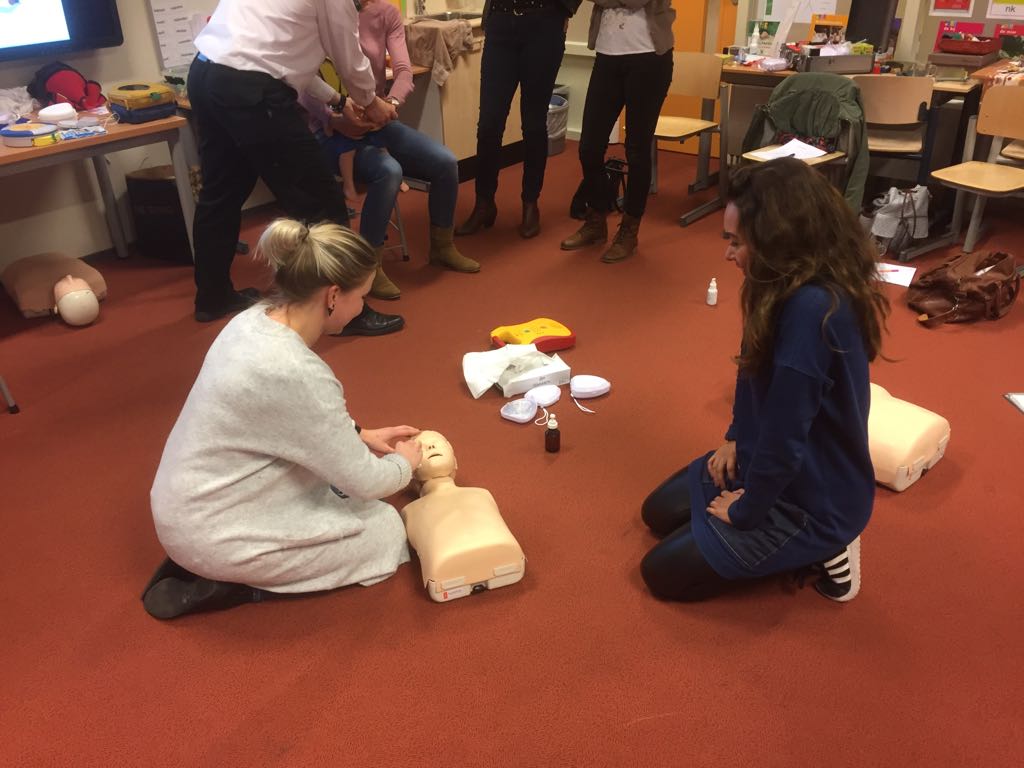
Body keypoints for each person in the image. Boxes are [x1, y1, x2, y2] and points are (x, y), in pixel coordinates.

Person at [142, 219, 423, 620]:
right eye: (361, 296)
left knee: (335, 490)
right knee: (385, 531)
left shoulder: (251, 320)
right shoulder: (295, 371)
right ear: (333, 296)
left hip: (187, 510)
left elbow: (285, 415)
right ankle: (238, 584)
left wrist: (359, 434)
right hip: (211, 532)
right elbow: (366, 483)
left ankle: (222, 560)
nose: (362, 307)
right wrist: (403, 464)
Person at [639, 158, 890, 603]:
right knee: (657, 514)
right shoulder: (775, 281)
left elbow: (785, 435)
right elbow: (750, 368)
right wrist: (736, 436)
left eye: (737, 242)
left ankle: (831, 545)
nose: (727, 254)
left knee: (661, 574)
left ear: (779, 241)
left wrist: (747, 510)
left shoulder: (813, 312)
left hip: (814, 498)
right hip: (769, 460)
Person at [187, 0, 403, 337]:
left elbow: (284, 59)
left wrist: (339, 101)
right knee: (322, 204)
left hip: (206, 73)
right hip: (249, 89)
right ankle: (346, 312)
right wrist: (370, 102)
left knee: (221, 193)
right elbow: (348, 58)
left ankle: (212, 297)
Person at [304, 0, 478, 302]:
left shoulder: (386, 14)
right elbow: (302, 83)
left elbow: (403, 72)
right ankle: (368, 268)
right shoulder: (319, 11)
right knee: (389, 171)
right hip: (328, 128)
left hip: (376, 118)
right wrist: (334, 118)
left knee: (445, 162)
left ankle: (442, 247)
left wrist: (389, 106)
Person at [455, 0, 582, 240]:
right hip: (501, 22)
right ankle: (484, 203)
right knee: (489, 124)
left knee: (533, 124)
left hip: (544, 24)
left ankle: (530, 203)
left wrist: (566, 10)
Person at [559, 0, 674, 263]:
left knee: (637, 150)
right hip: (607, 57)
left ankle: (629, 231)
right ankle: (596, 220)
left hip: (649, 58)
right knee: (589, 147)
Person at [401, 431, 526, 600]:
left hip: (448, 575)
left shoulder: (481, 494)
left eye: (438, 443)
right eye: (421, 447)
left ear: (455, 461)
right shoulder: (411, 511)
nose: (431, 446)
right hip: (506, 560)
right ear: (410, 472)